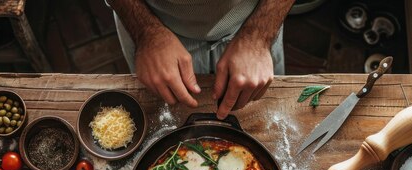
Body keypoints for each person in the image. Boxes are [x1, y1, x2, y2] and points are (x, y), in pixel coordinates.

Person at [107, 0, 294, 119]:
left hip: (256, 20)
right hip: (150, 21)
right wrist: (146, 32)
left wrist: (259, 35)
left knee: (262, 118)